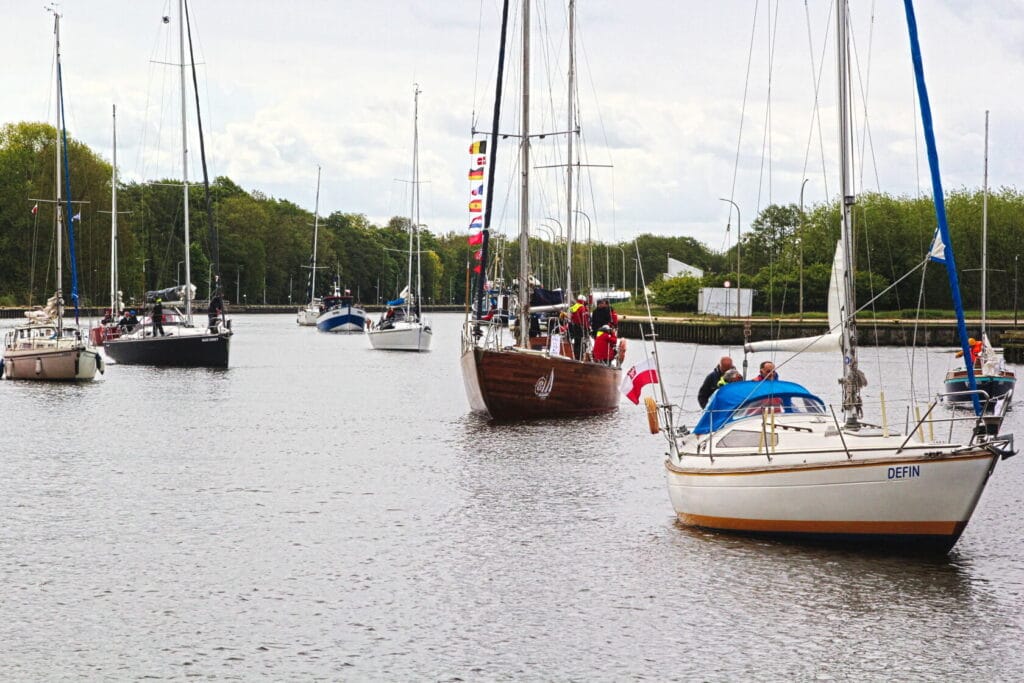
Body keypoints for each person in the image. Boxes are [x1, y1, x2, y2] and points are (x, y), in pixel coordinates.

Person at [569, 295, 589, 360]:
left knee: (576, 342)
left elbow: (571, 317)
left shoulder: (574, 306)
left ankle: (576, 355)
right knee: (582, 342)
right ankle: (580, 356)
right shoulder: (582, 307)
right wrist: (587, 327)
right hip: (581, 327)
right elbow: (584, 319)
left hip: (574, 326)